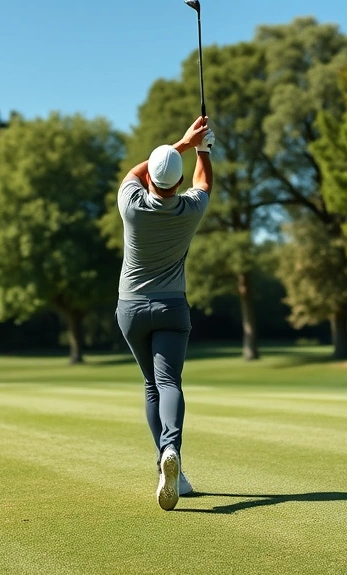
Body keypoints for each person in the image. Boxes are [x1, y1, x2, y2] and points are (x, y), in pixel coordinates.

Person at [114, 116, 214, 511]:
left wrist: (184, 144)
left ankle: (166, 465)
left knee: (151, 385)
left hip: (132, 310)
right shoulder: (189, 210)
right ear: (176, 183)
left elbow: (132, 173)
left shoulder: (132, 207)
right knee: (169, 381)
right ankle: (171, 449)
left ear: (152, 181)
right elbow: (204, 183)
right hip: (172, 307)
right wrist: (204, 149)